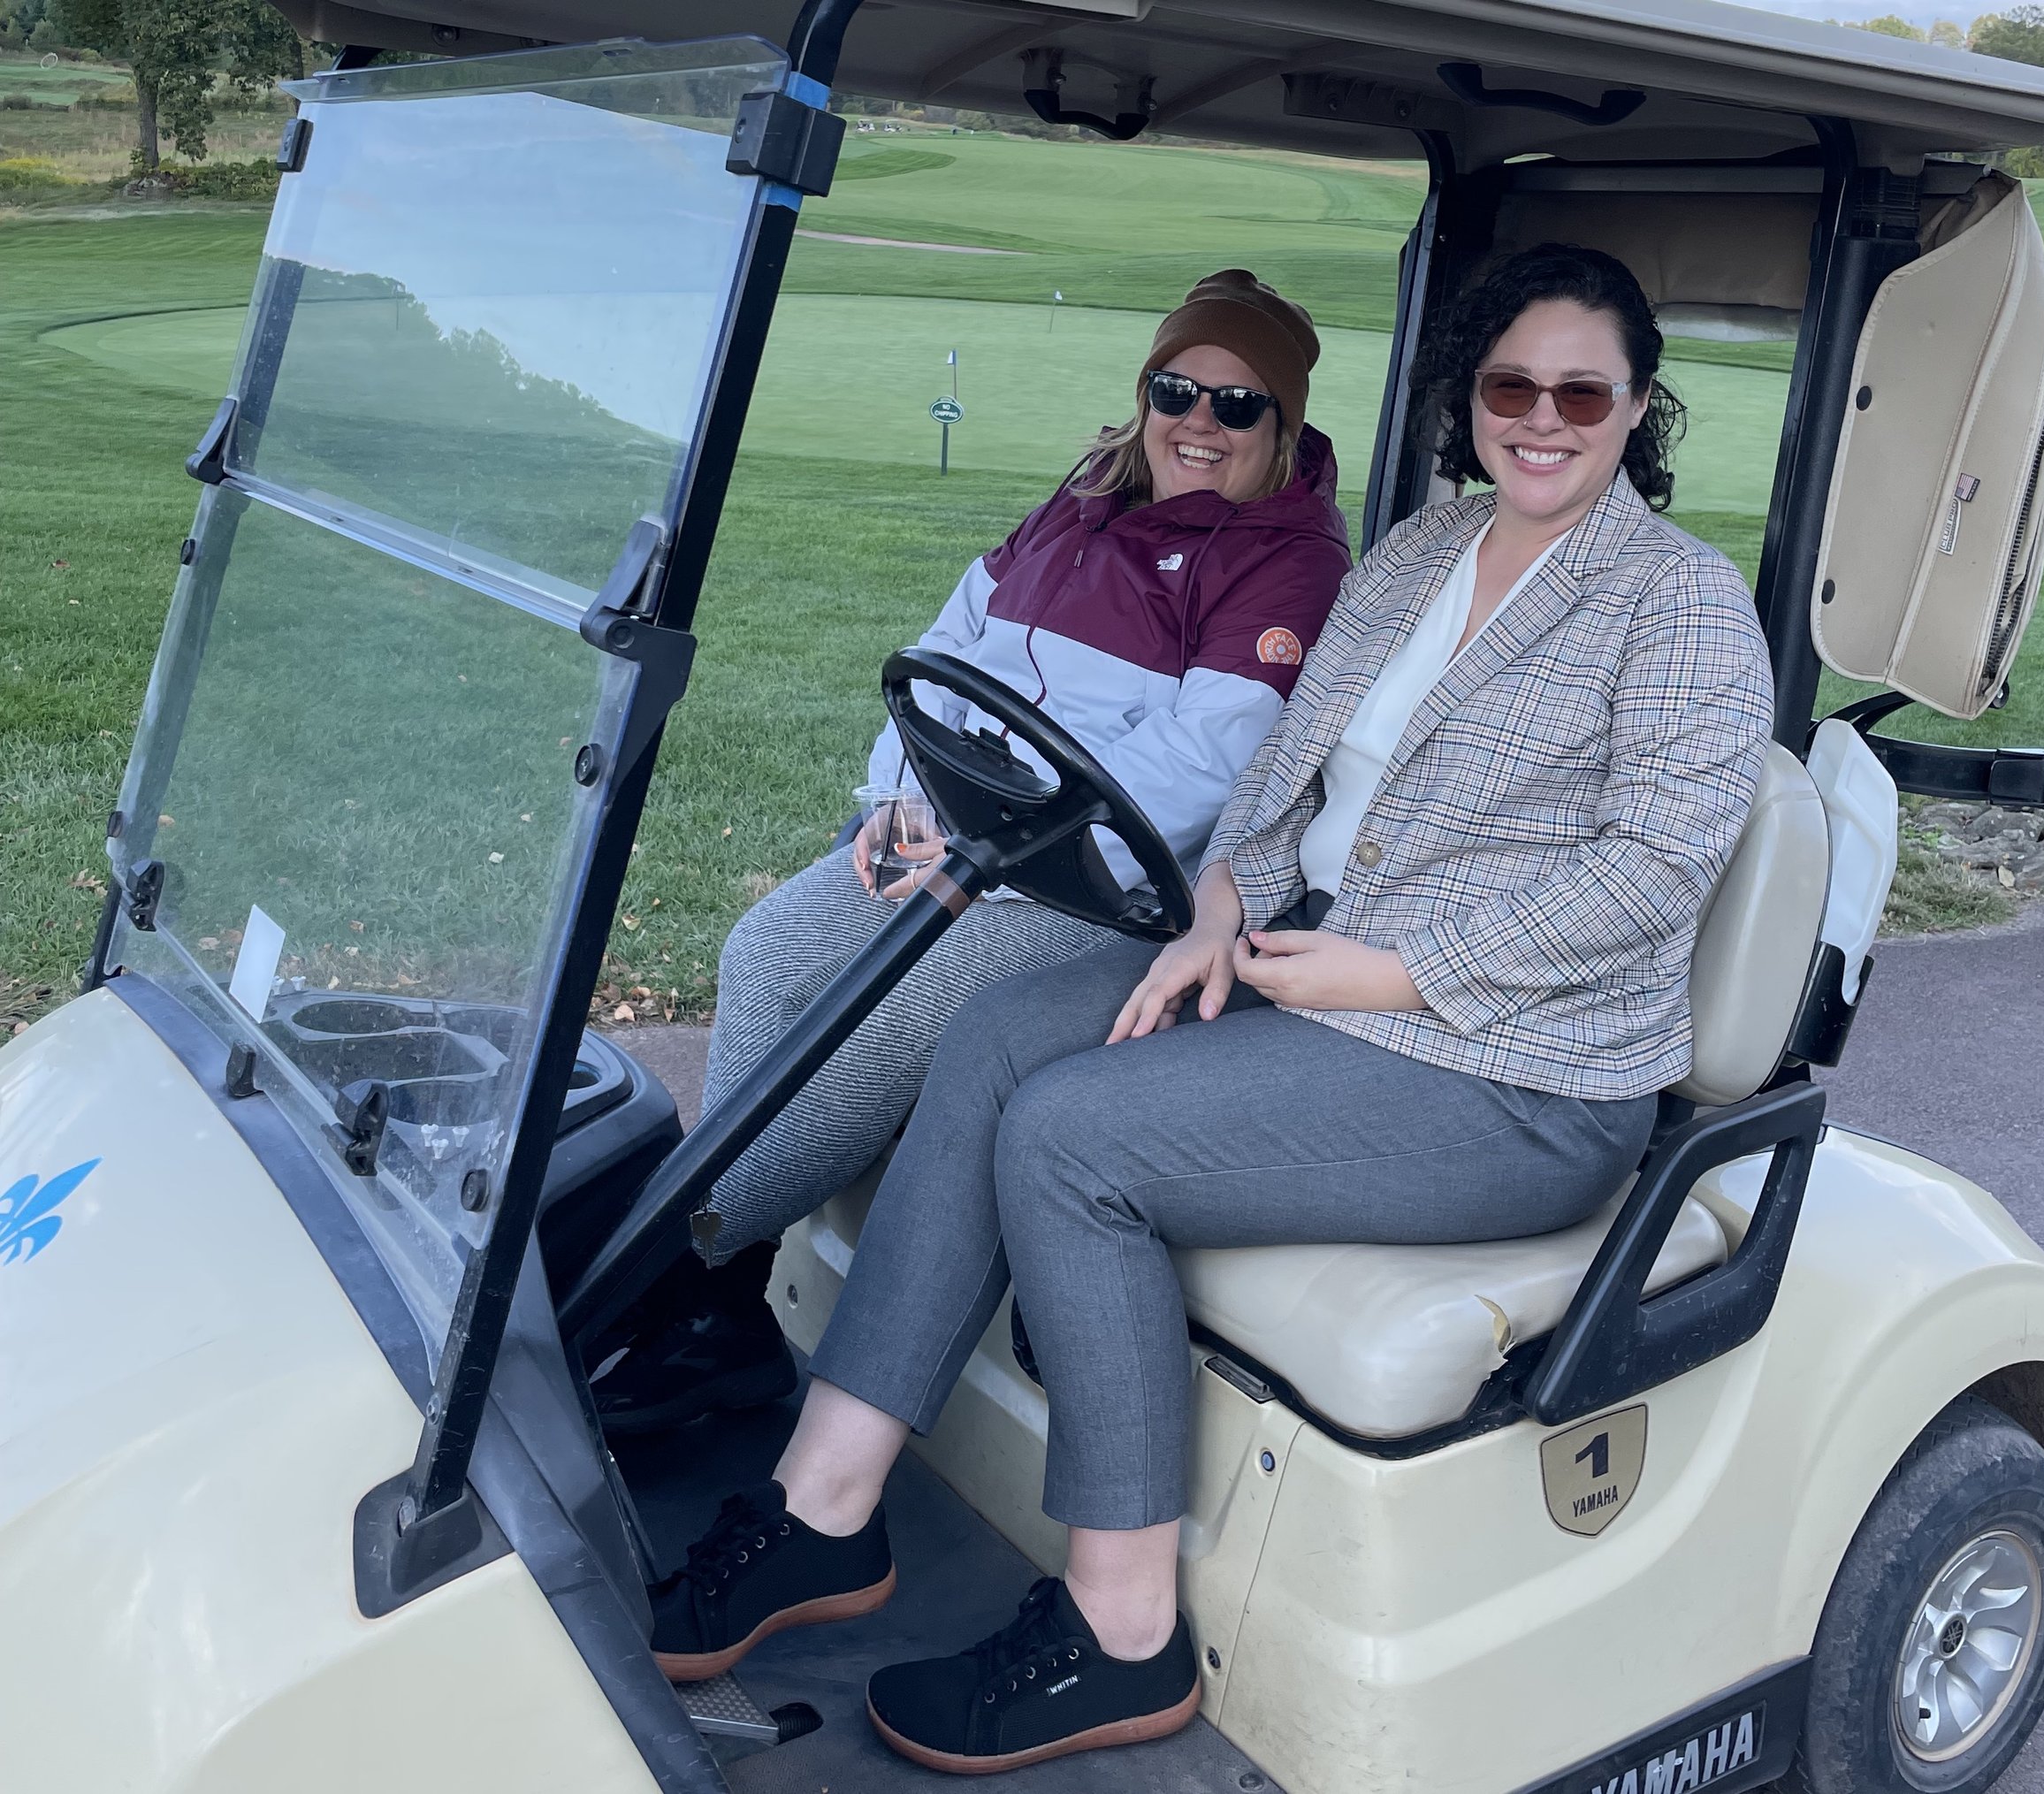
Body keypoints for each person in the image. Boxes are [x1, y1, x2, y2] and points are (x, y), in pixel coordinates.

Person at [644, 242, 1773, 1769]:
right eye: (1514, 384)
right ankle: (820, 1511)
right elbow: (1277, 777)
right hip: (1312, 970)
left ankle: (1122, 1632)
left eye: (1585, 389)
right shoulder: (1422, 555)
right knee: (990, 1042)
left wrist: (1400, 968)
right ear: (1472, 399)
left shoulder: (1680, 603)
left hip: (1518, 1068)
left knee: (1067, 1137)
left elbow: (1653, 869)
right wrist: (1224, 907)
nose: (1545, 417)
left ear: (1639, 408)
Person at [591, 271, 1352, 1432]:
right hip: (967, 829)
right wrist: (899, 790)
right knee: (768, 949)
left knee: (887, 1014)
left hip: (1097, 881)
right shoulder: (1086, 493)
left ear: (1282, 424)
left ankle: (646, 1275)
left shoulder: (1286, 559)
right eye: (1176, 389)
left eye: (1239, 405)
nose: (1200, 422)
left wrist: (1001, 820)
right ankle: (722, 1310)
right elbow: (956, 642)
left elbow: (1207, 760)